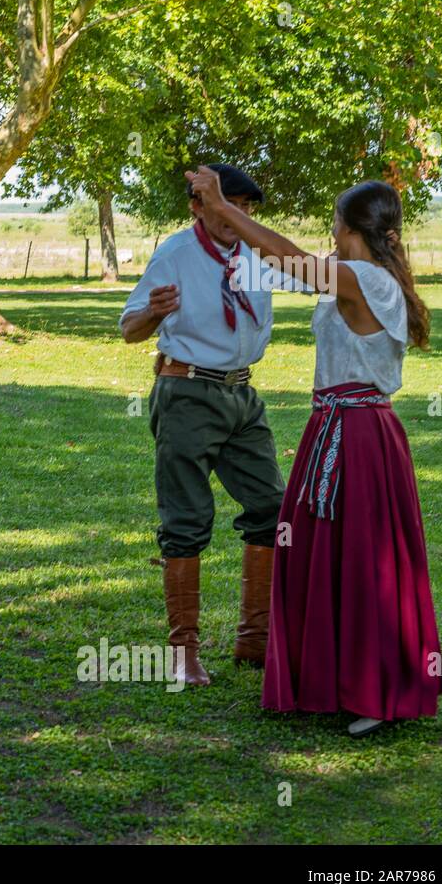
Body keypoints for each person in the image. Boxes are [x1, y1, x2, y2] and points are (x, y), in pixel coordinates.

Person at [187, 167, 442, 735]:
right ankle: (331, 679)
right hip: (333, 430)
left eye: (333, 221)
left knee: (362, 560)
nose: (329, 230)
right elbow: (283, 264)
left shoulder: (368, 280)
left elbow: (288, 256)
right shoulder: (357, 276)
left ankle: (376, 691)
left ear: (348, 226)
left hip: (358, 436)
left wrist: (222, 206)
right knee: (320, 552)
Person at [119, 164, 290, 686]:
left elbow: (318, 276)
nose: (239, 217)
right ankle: (182, 652)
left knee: (272, 508)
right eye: (228, 205)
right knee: (188, 518)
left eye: (249, 209)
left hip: (242, 394)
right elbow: (129, 328)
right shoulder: (174, 254)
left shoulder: (258, 257)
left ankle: (254, 638)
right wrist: (153, 312)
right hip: (187, 392)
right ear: (198, 206)